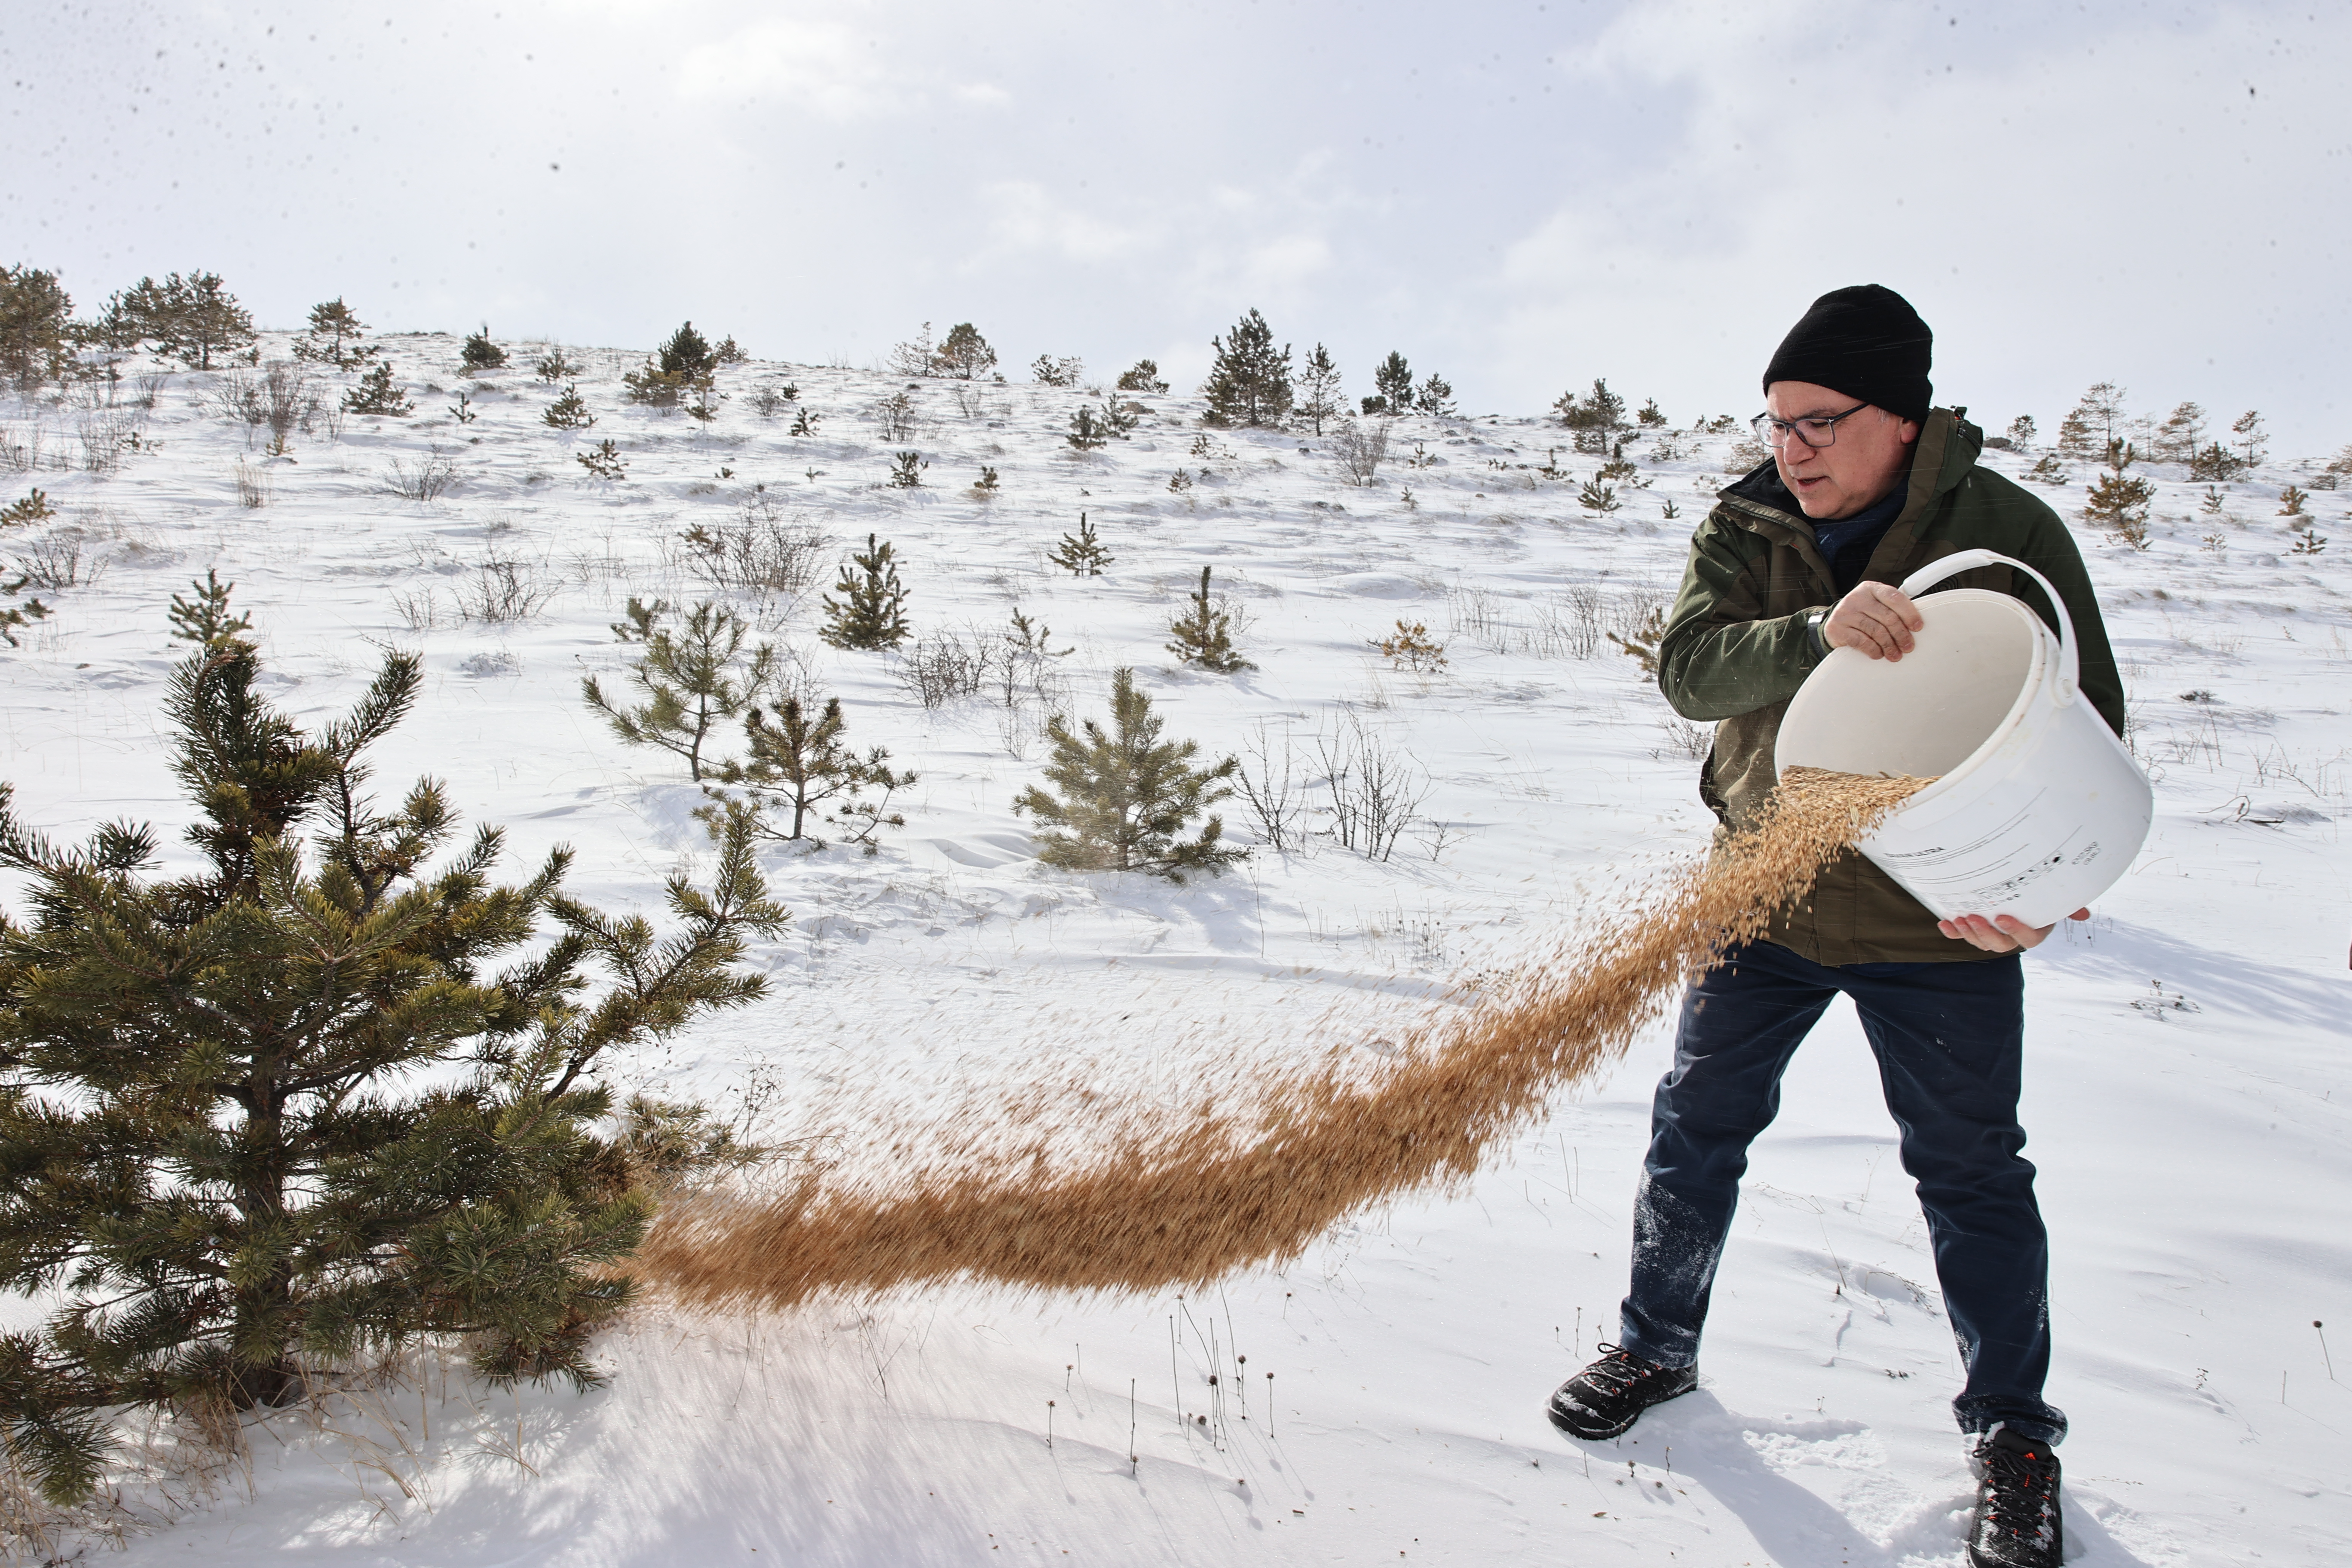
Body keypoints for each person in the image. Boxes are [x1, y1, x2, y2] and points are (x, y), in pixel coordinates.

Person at [1544, 285, 2123, 1568]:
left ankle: (2015, 1437)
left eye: (1818, 420)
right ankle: (1654, 1346)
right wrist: (1815, 633)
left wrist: (2040, 883)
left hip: (1937, 920)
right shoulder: (1748, 522)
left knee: (1972, 1174)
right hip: (1767, 892)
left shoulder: (2006, 532)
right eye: (1775, 420)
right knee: (1697, 1127)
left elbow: (2085, 711)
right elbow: (1689, 670)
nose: (1788, 447)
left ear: (1903, 420)